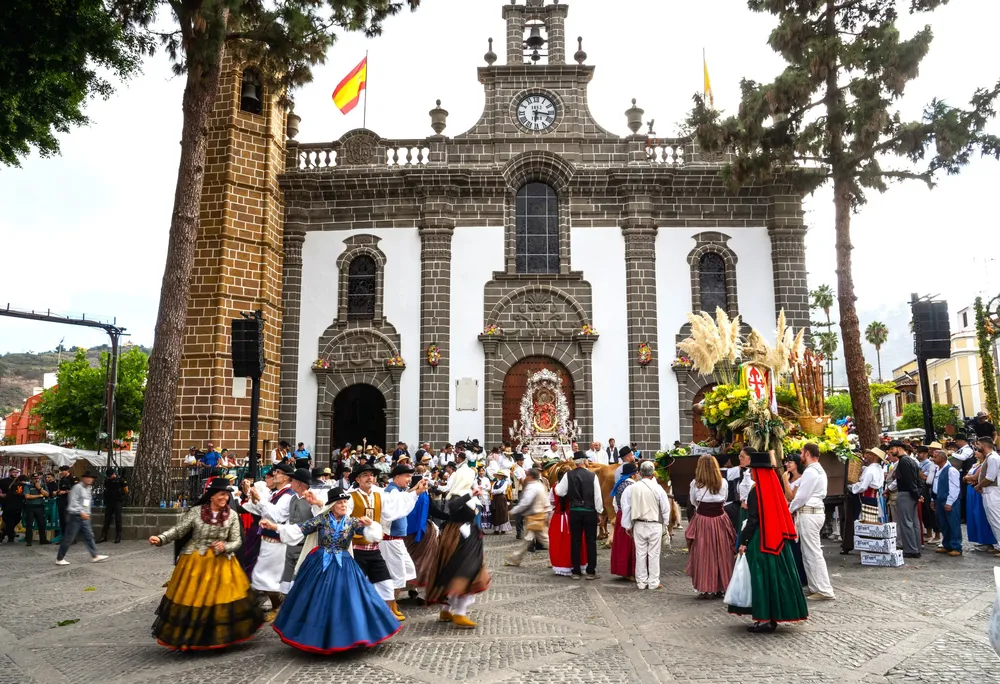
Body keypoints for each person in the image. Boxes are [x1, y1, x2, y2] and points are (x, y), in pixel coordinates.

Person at [263, 486, 400, 652]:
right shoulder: (321, 519)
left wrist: (371, 525)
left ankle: (352, 634)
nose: (344, 505)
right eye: (340, 502)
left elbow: (373, 535)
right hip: (320, 563)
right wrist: (275, 527)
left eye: (345, 502)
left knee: (352, 599)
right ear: (332, 504)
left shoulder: (351, 522)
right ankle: (316, 636)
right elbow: (300, 529)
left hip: (344, 563)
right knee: (314, 599)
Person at [148, 478, 263, 650]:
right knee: (193, 597)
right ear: (211, 496)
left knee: (223, 598)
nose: (225, 498)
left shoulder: (231, 515)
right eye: (221, 494)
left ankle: (220, 636)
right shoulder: (196, 512)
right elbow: (180, 530)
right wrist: (161, 538)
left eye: (227, 495)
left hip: (223, 562)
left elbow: (237, 540)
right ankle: (192, 637)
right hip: (195, 559)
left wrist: (226, 546)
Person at [730, 450, 808, 633]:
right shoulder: (774, 489)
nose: (752, 472)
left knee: (760, 578)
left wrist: (744, 541)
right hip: (778, 541)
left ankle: (764, 617)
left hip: (761, 541)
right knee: (776, 577)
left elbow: (754, 519)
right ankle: (773, 615)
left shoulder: (756, 492)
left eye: (753, 469)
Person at [424, 465, 491, 628]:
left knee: (451, 570)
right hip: (458, 538)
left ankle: (446, 609)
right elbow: (453, 507)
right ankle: (460, 613)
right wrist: (470, 494)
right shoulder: (457, 495)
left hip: (464, 535)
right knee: (464, 571)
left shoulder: (464, 494)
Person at [239, 463, 295, 619]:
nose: (274, 474)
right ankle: (277, 608)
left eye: (277, 472)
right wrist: (252, 496)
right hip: (267, 540)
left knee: (265, 578)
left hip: (276, 542)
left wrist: (259, 500)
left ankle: (279, 609)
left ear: (286, 477)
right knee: (262, 577)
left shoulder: (287, 496)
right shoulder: (276, 494)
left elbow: (277, 516)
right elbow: (263, 511)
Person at [788, 444, 835, 600]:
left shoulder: (810, 471)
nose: (800, 455)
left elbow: (801, 497)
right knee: (809, 552)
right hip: (812, 512)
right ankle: (815, 587)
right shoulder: (817, 470)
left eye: (801, 452)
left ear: (807, 453)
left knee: (812, 553)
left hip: (809, 513)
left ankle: (823, 589)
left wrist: (789, 509)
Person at [686, 455, 736, 599]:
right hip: (720, 519)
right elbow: (725, 499)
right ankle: (722, 586)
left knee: (704, 553)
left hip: (703, 520)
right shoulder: (723, 482)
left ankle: (706, 588)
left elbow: (694, 502)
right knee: (722, 552)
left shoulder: (695, 484)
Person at [621, 461, 672, 591]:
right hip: (654, 524)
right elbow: (666, 509)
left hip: (638, 523)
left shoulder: (631, 488)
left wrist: (627, 525)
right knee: (654, 554)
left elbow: (626, 508)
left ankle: (641, 582)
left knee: (640, 553)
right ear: (652, 473)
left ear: (640, 472)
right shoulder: (658, 489)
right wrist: (665, 524)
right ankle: (653, 582)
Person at [555, 452, 604, 580]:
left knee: (575, 541)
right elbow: (597, 496)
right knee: (591, 541)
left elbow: (560, 491)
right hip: (589, 511)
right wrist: (599, 511)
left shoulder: (568, 475)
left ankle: (576, 571)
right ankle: (591, 571)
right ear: (583, 461)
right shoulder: (592, 475)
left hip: (575, 511)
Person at [382, 463, 419, 620]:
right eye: (407, 476)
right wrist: (416, 492)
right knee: (397, 576)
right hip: (390, 540)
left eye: (410, 476)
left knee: (408, 570)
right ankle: (387, 610)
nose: (409, 479)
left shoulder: (398, 491)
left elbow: (404, 498)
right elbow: (400, 507)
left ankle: (392, 604)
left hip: (397, 539)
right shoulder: (392, 492)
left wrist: (415, 490)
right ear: (397, 477)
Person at [55, 471, 109, 565]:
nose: (89, 479)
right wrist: (81, 512)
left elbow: (86, 503)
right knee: (69, 538)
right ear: (83, 478)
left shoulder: (88, 488)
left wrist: (87, 513)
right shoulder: (77, 488)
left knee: (89, 535)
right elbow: (73, 502)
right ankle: (60, 558)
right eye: (87, 477)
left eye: (91, 478)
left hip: (84, 516)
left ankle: (95, 555)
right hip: (75, 515)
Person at [279, 469, 315, 596]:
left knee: (301, 575)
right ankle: (285, 599)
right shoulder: (293, 498)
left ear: (299, 483)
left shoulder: (312, 499)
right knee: (288, 573)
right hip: (292, 543)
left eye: (292, 481)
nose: (290, 483)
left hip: (306, 545)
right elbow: (282, 515)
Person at [504, 468, 550, 567]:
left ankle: (559, 557)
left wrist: (513, 511)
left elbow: (525, 502)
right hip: (540, 515)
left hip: (534, 516)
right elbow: (546, 502)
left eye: (527, 475)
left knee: (543, 540)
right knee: (528, 539)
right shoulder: (541, 485)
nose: (525, 477)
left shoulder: (532, 487)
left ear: (530, 476)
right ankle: (514, 559)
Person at [887, 440, 923, 558]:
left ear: (899, 448)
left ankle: (911, 550)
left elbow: (909, 480)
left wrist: (917, 494)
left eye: (892, 449)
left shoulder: (903, 461)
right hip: (911, 493)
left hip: (906, 494)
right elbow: (918, 479)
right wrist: (918, 493)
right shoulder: (911, 460)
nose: (891, 452)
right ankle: (915, 547)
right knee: (914, 523)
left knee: (907, 523)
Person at [929, 449, 962, 556]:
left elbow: (954, 488)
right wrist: (933, 499)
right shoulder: (937, 469)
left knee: (953, 524)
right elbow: (935, 485)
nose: (933, 459)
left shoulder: (951, 470)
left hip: (948, 500)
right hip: (939, 499)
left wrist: (949, 502)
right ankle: (947, 544)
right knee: (943, 524)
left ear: (942, 458)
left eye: (935, 457)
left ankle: (956, 546)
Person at [965, 447, 998, 552]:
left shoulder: (986, 463)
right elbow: (968, 476)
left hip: (981, 492)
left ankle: (991, 542)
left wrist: (972, 480)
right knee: (975, 517)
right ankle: (982, 540)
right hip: (972, 491)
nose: (975, 453)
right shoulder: (976, 464)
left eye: (978, 451)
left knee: (984, 517)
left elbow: (975, 477)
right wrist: (967, 478)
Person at [609, 462, 638, 580]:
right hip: (629, 515)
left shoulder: (619, 484)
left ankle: (622, 569)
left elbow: (614, 503)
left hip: (620, 514)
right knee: (629, 544)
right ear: (633, 474)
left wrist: (619, 512)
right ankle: (630, 571)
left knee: (621, 544)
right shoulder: (632, 486)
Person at [975, 437, 1000, 556]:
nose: (976, 446)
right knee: (993, 519)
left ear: (984, 445)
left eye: (978, 444)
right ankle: (998, 545)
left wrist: (978, 485)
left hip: (993, 491)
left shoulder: (993, 458)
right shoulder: (989, 458)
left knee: (996, 519)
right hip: (988, 491)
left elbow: (991, 477)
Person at [849, 448, 886, 524]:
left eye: (870, 454)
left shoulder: (870, 469)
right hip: (873, 498)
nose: (867, 455)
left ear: (875, 456)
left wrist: (850, 487)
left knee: (863, 521)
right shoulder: (879, 468)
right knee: (871, 520)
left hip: (865, 498)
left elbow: (862, 486)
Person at [916, 446, 940, 543]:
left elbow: (926, 477)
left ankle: (937, 534)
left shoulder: (930, 464)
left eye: (921, 453)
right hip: (922, 489)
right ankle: (929, 532)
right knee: (925, 512)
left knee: (931, 512)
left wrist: (917, 471)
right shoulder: (919, 463)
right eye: (918, 452)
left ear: (926, 454)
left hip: (929, 489)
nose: (918, 454)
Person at [100, 470, 128, 544]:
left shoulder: (120, 480)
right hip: (109, 502)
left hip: (117, 501)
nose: (110, 477)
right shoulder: (107, 481)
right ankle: (103, 535)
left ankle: (118, 536)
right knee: (107, 519)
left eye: (111, 475)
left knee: (118, 519)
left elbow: (126, 490)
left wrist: (122, 497)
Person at [23, 473, 50, 546]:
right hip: (30, 506)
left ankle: (43, 539)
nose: (36, 480)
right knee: (29, 524)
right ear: (31, 479)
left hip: (40, 506)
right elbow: (27, 496)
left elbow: (47, 494)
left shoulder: (43, 485)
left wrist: (39, 488)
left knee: (41, 523)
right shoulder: (27, 486)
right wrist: (39, 495)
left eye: (38, 478)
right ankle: (28, 540)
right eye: (34, 478)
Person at [1, 467, 23, 543]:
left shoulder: (19, 481)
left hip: (16, 503)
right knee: (8, 519)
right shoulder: (3, 481)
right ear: (10, 472)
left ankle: (4, 533)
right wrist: (1, 494)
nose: (15, 474)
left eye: (16, 473)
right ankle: (10, 535)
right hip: (7, 503)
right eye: (14, 472)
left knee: (16, 519)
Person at [55, 465, 77, 536]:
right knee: (62, 520)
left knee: (68, 520)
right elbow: (61, 489)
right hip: (62, 501)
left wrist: (65, 492)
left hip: (69, 501)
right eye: (61, 471)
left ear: (67, 470)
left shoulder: (73, 478)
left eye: (62, 471)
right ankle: (64, 537)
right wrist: (57, 492)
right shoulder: (62, 479)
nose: (61, 472)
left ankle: (71, 538)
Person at [490, 470, 512, 535]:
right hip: (495, 499)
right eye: (498, 475)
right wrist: (494, 491)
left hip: (501, 498)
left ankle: (503, 529)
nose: (499, 476)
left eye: (500, 475)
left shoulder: (505, 482)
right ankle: (496, 529)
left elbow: (502, 490)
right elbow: (491, 490)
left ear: (502, 476)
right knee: (496, 513)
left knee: (502, 513)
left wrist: (494, 491)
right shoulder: (494, 483)